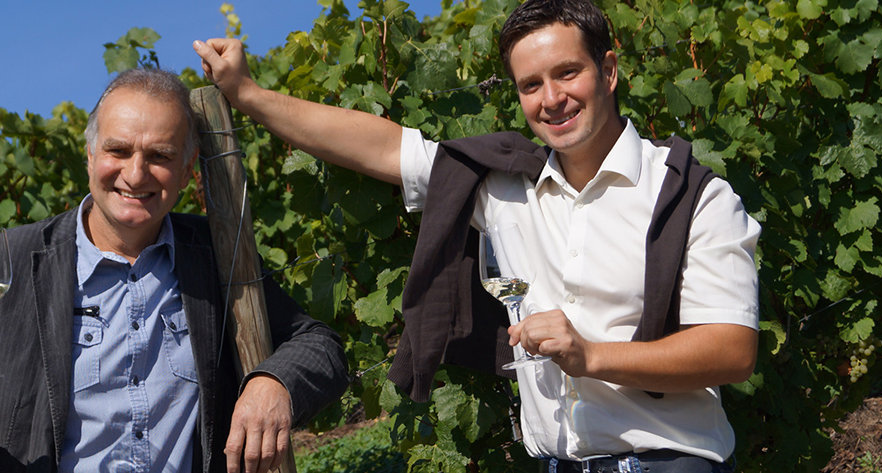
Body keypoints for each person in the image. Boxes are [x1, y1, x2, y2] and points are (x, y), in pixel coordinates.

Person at [193, 0, 760, 471]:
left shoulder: (693, 197)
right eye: (530, 84)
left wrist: (590, 356)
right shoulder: (503, 188)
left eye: (567, 73)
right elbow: (381, 146)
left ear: (608, 71)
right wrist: (248, 95)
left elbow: (731, 349)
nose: (551, 99)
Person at [0, 68, 349, 473]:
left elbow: (320, 347)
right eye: (118, 150)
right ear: (89, 156)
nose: (135, 173)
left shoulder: (216, 255)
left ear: (189, 168)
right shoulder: (7, 260)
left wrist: (273, 383)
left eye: (160, 156)